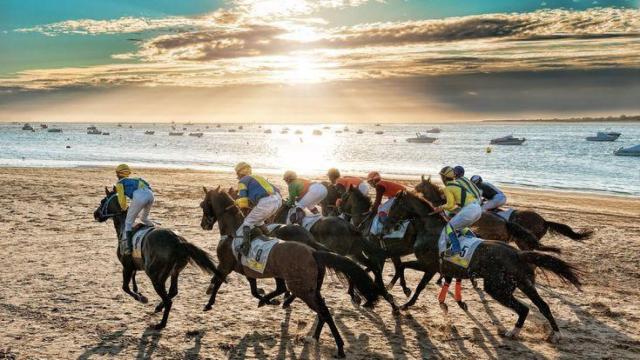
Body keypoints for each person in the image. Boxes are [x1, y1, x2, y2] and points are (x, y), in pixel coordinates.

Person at [431, 166, 482, 257]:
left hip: (469, 209)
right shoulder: (457, 184)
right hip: (477, 209)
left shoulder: (448, 188)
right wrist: (445, 209)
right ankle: (474, 241)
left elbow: (450, 204)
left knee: (448, 228)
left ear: (444, 177)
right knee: (461, 227)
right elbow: (454, 205)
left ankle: (453, 250)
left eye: (441, 177)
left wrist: (440, 208)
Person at [234, 162, 282, 255]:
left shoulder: (242, 181)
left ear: (239, 173)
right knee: (259, 221)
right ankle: (270, 237)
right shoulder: (259, 177)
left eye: (237, 174)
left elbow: (243, 203)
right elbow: (278, 190)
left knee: (247, 223)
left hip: (266, 201)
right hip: (278, 200)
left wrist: (235, 202)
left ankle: (245, 248)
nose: (238, 176)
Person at [114, 164, 155, 256]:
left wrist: (124, 208)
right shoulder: (136, 178)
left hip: (139, 196)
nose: (116, 175)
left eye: (116, 173)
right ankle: (153, 227)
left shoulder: (120, 183)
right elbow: (148, 185)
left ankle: (129, 248)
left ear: (119, 174)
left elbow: (122, 200)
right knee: (143, 218)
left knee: (128, 222)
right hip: (150, 195)